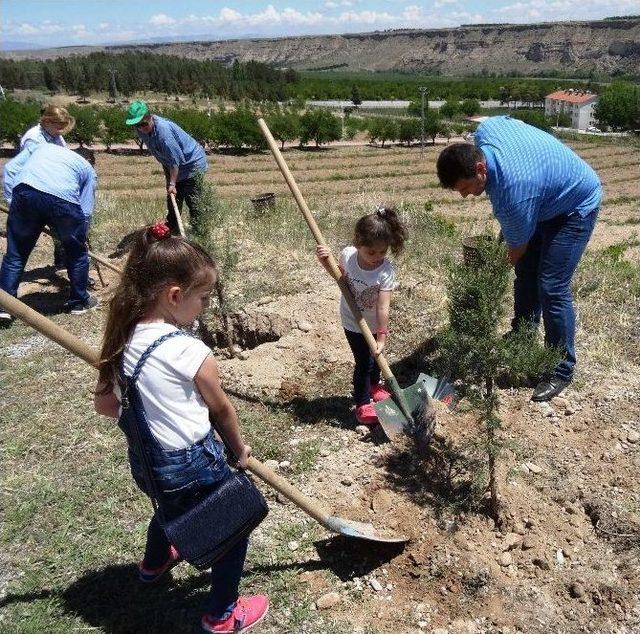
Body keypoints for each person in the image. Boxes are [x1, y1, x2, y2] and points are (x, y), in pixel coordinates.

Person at [93, 224, 269, 633]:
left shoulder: (121, 337)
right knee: (230, 528)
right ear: (175, 295)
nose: (205, 307)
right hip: (195, 463)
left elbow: (105, 406)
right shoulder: (190, 350)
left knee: (171, 508)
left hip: (148, 463)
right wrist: (239, 449)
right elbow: (222, 410)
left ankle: (154, 565)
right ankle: (223, 615)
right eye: (203, 299)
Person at [436, 116, 602, 402]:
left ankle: (559, 369)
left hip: (576, 204)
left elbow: (515, 252)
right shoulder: (487, 132)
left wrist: (487, 278)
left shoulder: (513, 194)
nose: (464, 196)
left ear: (480, 168)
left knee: (551, 286)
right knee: (526, 275)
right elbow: (499, 119)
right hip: (543, 196)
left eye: (464, 188)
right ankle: (523, 336)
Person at [316, 206, 408, 425]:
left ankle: (375, 386)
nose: (377, 257)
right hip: (352, 321)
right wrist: (325, 263)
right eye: (371, 252)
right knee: (363, 362)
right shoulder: (348, 256)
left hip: (376, 323)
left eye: (382, 252)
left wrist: (382, 336)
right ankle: (362, 402)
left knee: (376, 359)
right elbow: (340, 279)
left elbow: (384, 307)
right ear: (358, 243)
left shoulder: (385, 271)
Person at [0, 143, 98, 325]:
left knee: (15, 254)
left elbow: (10, 168)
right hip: (62, 200)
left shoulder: (44, 148)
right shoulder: (87, 169)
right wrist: (80, 237)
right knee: (76, 254)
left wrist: (13, 201)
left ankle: (5, 306)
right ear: (90, 161)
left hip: (25, 193)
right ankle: (79, 302)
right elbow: (85, 212)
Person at [125, 100, 208, 235]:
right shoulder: (141, 130)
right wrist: (171, 183)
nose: (141, 128)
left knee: (192, 198)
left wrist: (172, 182)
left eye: (144, 124)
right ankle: (172, 226)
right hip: (170, 164)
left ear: (150, 117)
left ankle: (200, 231)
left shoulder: (164, 132)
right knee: (173, 196)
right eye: (137, 125)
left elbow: (175, 160)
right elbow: (167, 159)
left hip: (191, 163)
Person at [20, 104, 76, 269]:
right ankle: (10, 285)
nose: (62, 130)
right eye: (59, 125)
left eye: (64, 126)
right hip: (36, 192)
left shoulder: (56, 136)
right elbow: (32, 167)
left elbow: (64, 156)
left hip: (56, 191)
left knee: (62, 229)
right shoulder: (33, 139)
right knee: (24, 239)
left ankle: (62, 263)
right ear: (47, 121)